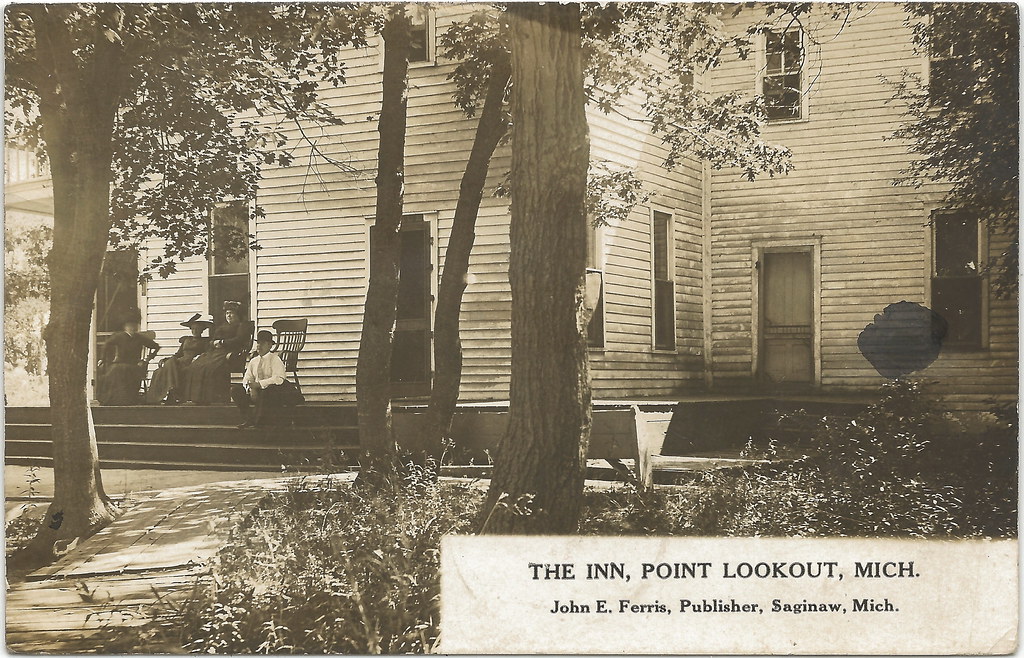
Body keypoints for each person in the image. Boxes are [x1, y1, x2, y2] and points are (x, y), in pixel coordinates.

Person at [181, 300, 254, 404]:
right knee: (196, 365)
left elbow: (239, 340)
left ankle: (212, 398)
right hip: (215, 352)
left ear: (238, 314)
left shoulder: (242, 325)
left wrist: (222, 342)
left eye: (231, 313)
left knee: (210, 368)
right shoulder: (222, 327)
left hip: (231, 352)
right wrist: (213, 343)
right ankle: (197, 398)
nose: (229, 315)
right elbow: (212, 341)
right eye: (227, 313)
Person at [96, 309, 160, 406]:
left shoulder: (140, 338)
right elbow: (106, 345)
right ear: (125, 327)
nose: (132, 328)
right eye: (130, 326)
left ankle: (128, 399)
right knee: (114, 371)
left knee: (124, 370)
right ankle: (114, 399)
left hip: (134, 364)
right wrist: (102, 359)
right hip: (119, 362)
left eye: (134, 326)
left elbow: (156, 346)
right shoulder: (119, 336)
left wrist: (147, 359)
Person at [145, 313, 213, 404]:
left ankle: (172, 389)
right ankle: (170, 389)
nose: (194, 331)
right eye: (193, 329)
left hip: (192, 363)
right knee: (161, 369)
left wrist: (198, 358)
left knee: (165, 368)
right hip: (180, 361)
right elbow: (178, 354)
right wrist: (166, 359)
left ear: (202, 330)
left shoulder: (205, 341)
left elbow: (206, 354)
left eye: (197, 329)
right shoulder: (186, 340)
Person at [231, 330, 288, 428]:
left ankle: (258, 421)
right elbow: (247, 378)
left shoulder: (275, 359)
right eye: (258, 343)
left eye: (262, 343)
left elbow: (279, 378)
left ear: (270, 345)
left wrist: (259, 384)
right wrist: (251, 388)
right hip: (256, 391)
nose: (258, 346)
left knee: (268, 391)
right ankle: (248, 418)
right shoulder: (254, 361)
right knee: (235, 390)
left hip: (271, 393)